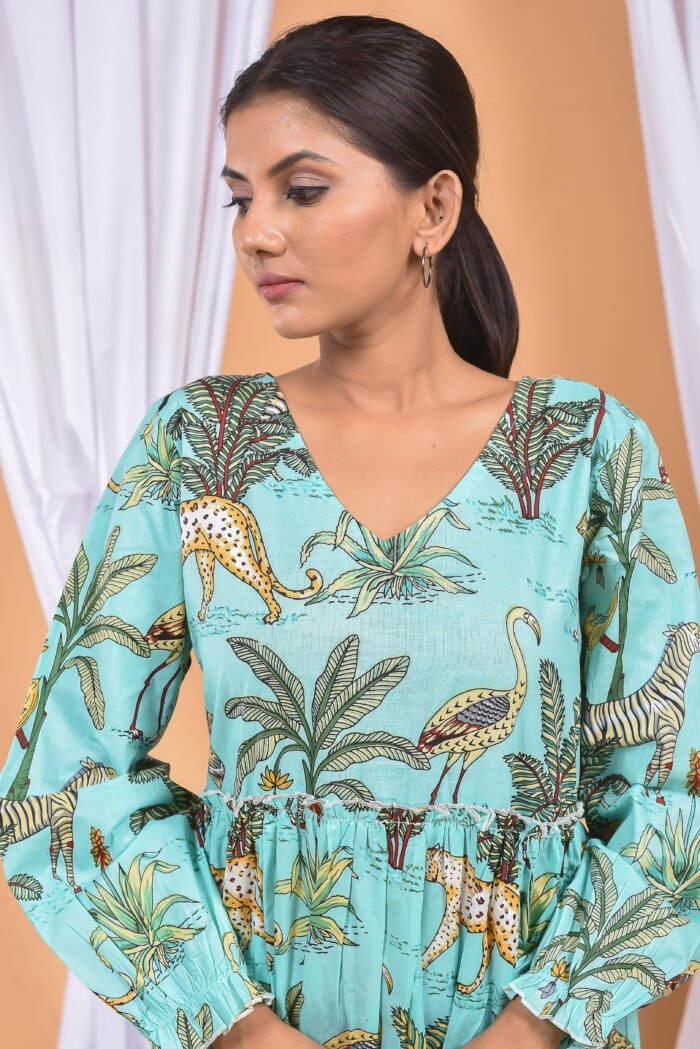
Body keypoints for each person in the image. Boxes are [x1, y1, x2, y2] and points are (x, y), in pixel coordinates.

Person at [1, 13, 698, 1049]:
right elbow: (63, 773)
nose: (254, 232)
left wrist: (538, 1026)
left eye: (302, 188)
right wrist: (233, 1024)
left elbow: (671, 790)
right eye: (239, 198)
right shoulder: (201, 447)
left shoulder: (585, 454)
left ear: (433, 205)